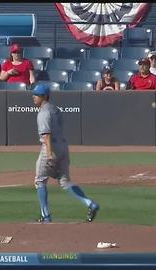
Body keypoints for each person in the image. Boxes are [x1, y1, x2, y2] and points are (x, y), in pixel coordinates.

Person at [31, 84, 100, 223]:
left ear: (44, 97)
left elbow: (47, 135)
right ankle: (90, 204)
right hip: (63, 146)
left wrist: (50, 154)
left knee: (40, 181)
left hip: (50, 148)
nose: (33, 97)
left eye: (36, 95)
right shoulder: (55, 109)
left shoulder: (43, 112)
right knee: (65, 182)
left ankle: (46, 216)